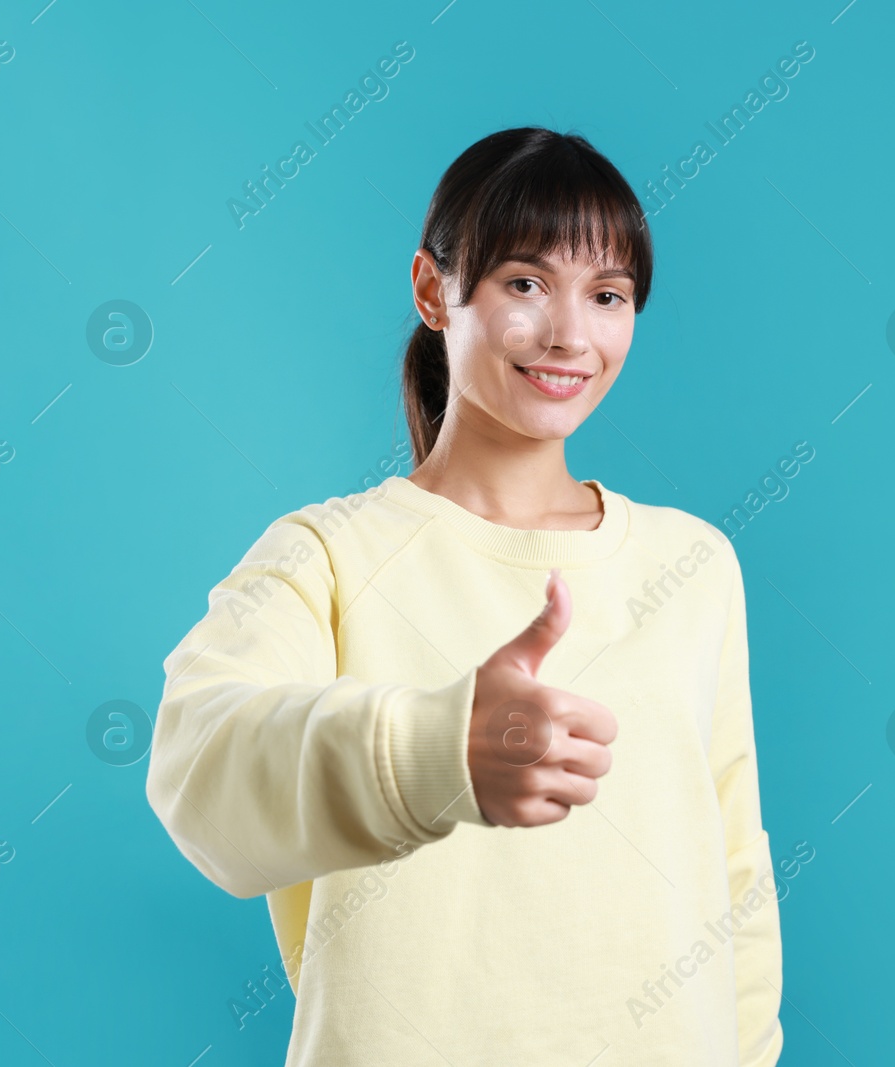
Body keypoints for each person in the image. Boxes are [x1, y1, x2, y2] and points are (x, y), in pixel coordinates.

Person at [145, 126, 784, 1066]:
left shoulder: (694, 564)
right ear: (432, 289)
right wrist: (434, 751)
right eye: (525, 283)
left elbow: (737, 876)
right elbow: (197, 767)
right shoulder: (328, 554)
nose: (570, 333)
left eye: (607, 295)